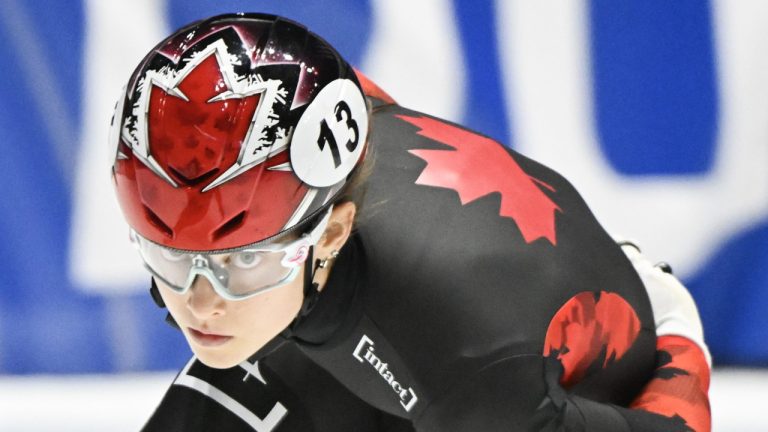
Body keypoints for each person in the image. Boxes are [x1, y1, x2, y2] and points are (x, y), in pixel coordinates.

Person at [110, 13, 711, 431]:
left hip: (542, 375)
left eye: (243, 261)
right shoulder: (321, 122)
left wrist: (677, 331)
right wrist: (232, 261)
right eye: (169, 256)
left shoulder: (474, 379)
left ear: (335, 231)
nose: (200, 304)